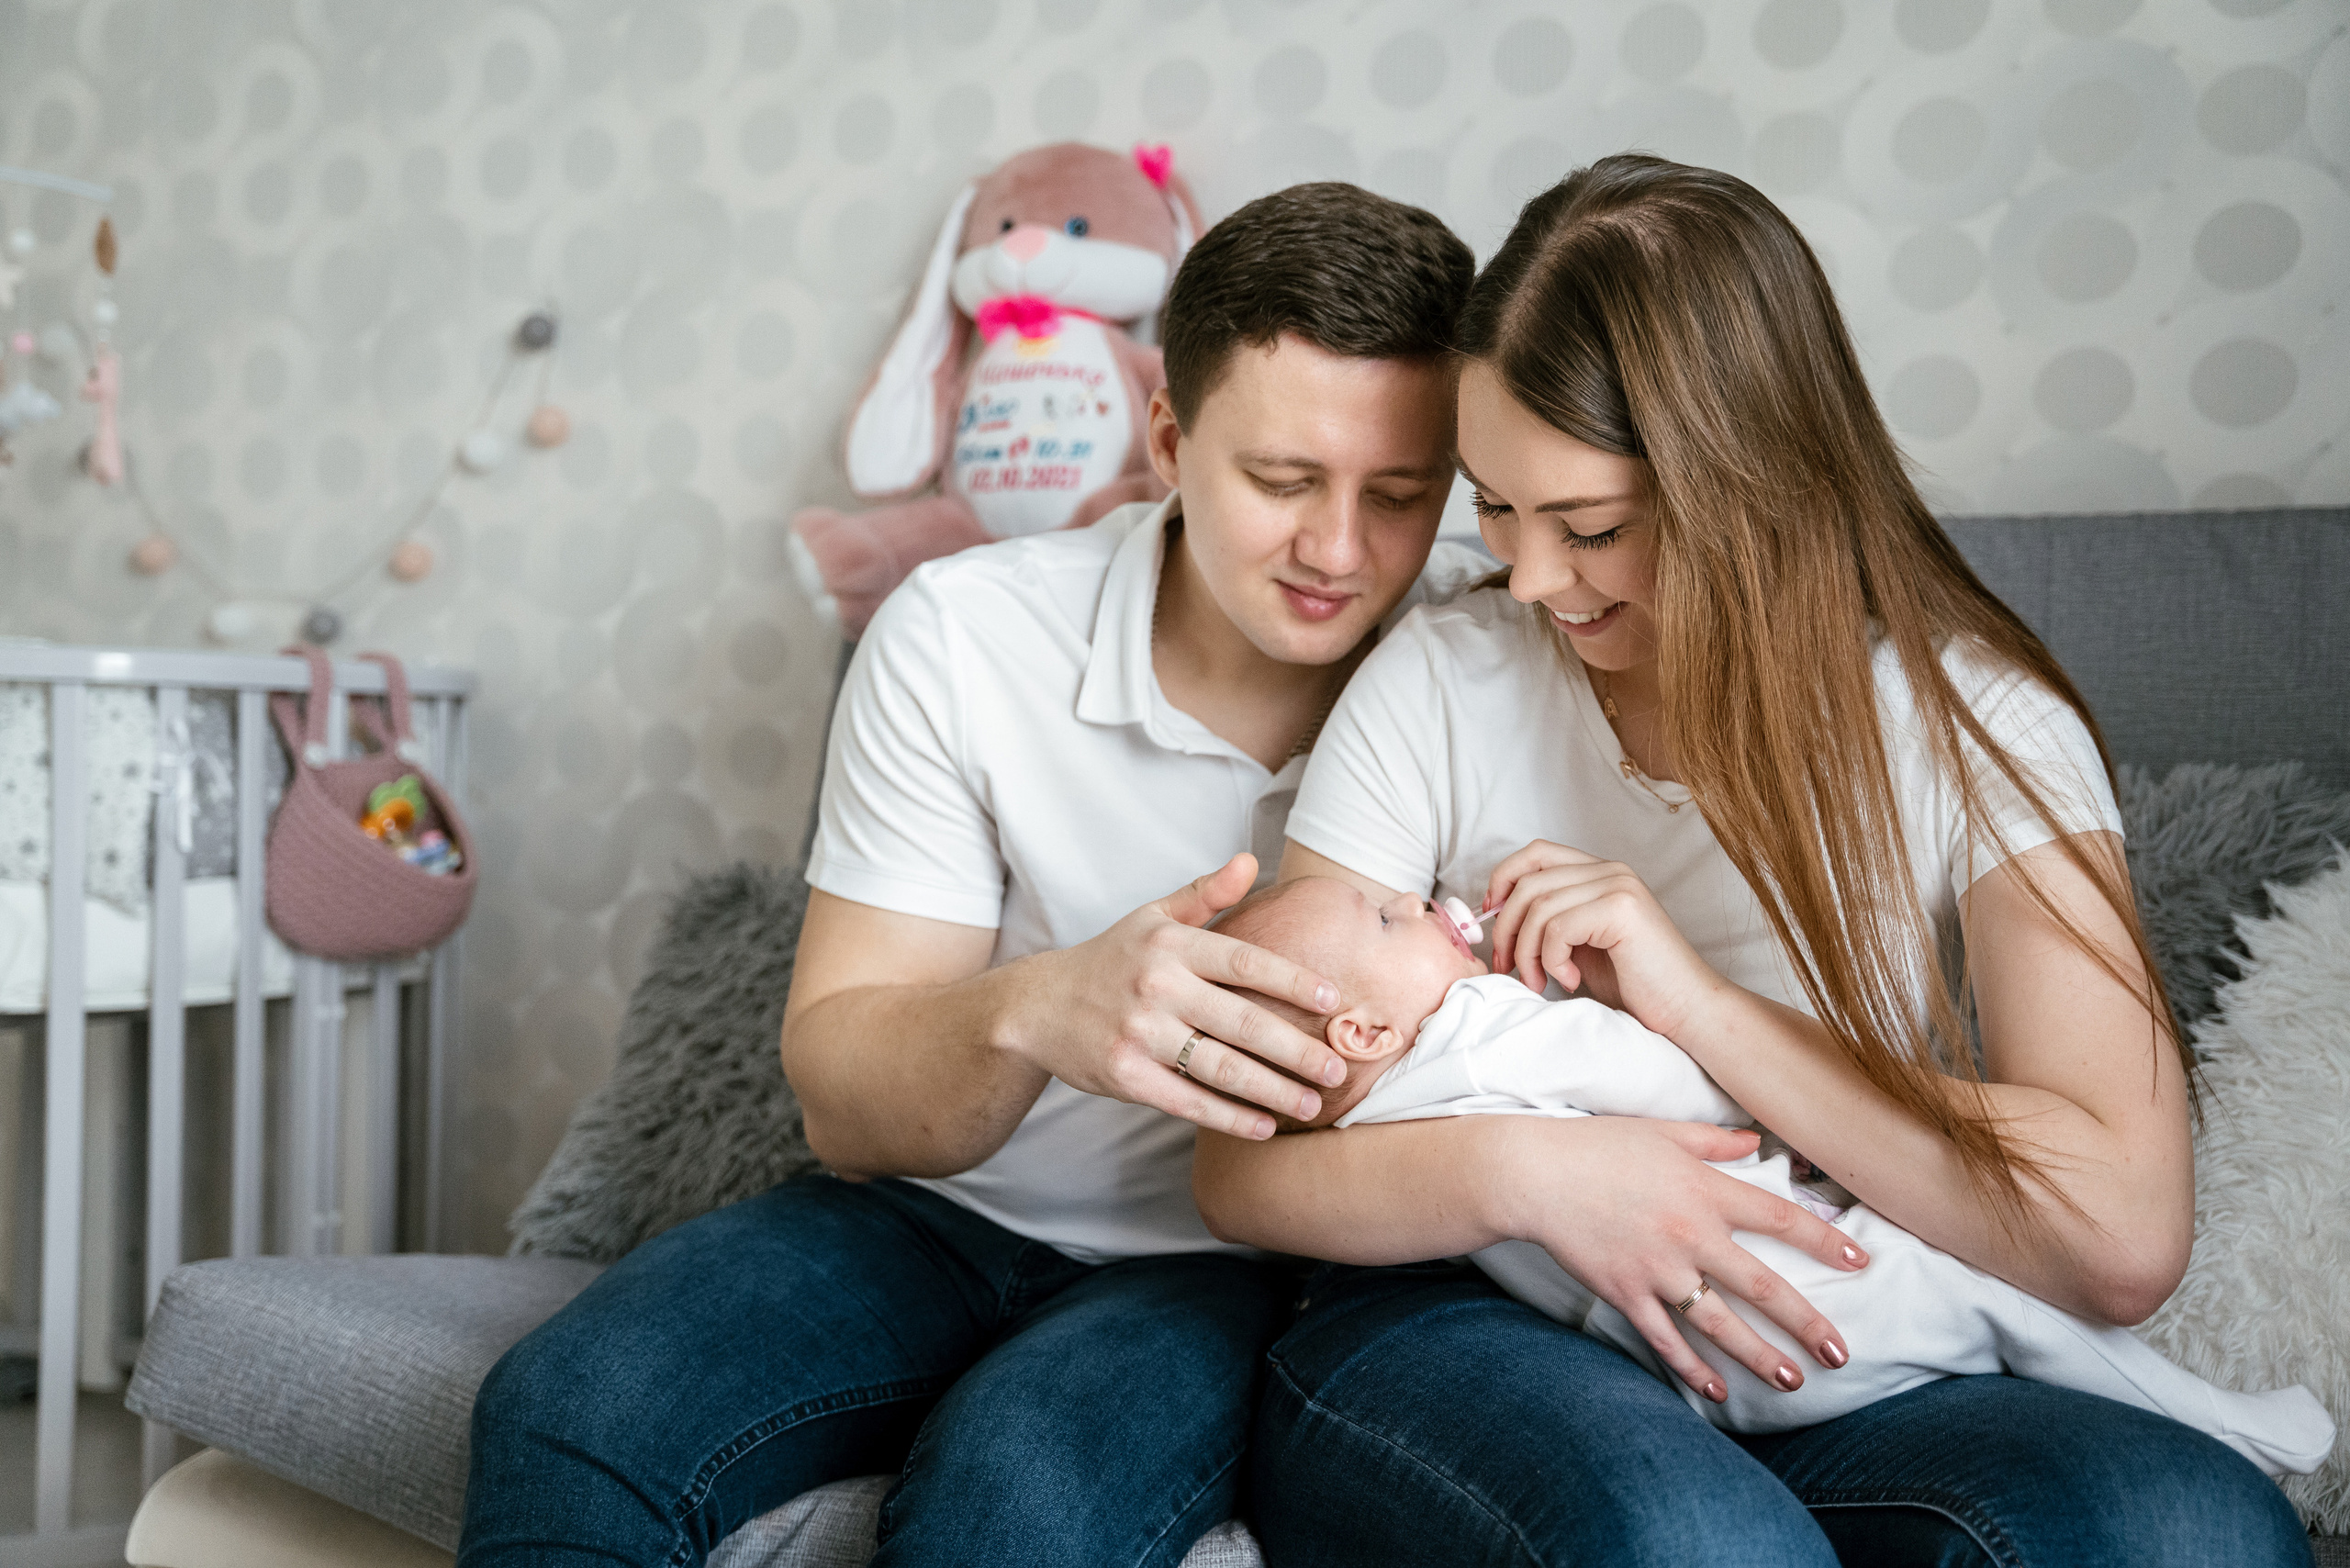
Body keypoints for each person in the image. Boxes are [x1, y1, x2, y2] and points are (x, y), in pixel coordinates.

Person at [1192, 154, 2314, 1566]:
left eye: (1591, 526)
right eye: (1495, 506)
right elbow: (1240, 1171)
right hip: (1466, 1306)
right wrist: (1538, 1181)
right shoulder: (1442, 681)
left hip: (1813, 1312)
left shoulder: (1974, 728)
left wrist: (1697, 1007)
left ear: (1755, 485)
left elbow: (2120, 1239)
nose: (1532, 581)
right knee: (1690, 1541)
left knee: (2193, 1531)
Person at [457, 182, 1482, 1567]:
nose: (1340, 551)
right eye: (1285, 482)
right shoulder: (966, 636)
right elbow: (844, 1096)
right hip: (934, 1214)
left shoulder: (1485, 662)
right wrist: (1039, 1009)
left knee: (1009, 1517)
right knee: (568, 1409)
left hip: (1227, 1276)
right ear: (1169, 440)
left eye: (1402, 496)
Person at [1208, 875, 2333, 1477]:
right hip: (1780, 1298)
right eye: (1389, 914)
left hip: (1686, 1351)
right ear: (1355, 1028)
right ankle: (2224, 1422)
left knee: (1987, 1316)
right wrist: (1740, 1097)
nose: (1420, 901)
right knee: (1991, 1297)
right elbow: (1654, 1081)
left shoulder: (1380, 1108)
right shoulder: (1476, 1026)